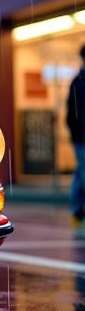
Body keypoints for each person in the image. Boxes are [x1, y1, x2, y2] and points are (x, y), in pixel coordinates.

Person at [66, 43, 85, 227]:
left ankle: (77, 210)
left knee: (81, 173)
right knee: (83, 172)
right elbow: (71, 113)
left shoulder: (78, 82)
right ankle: (77, 210)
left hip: (80, 136)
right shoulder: (78, 82)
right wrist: (76, 133)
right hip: (82, 137)